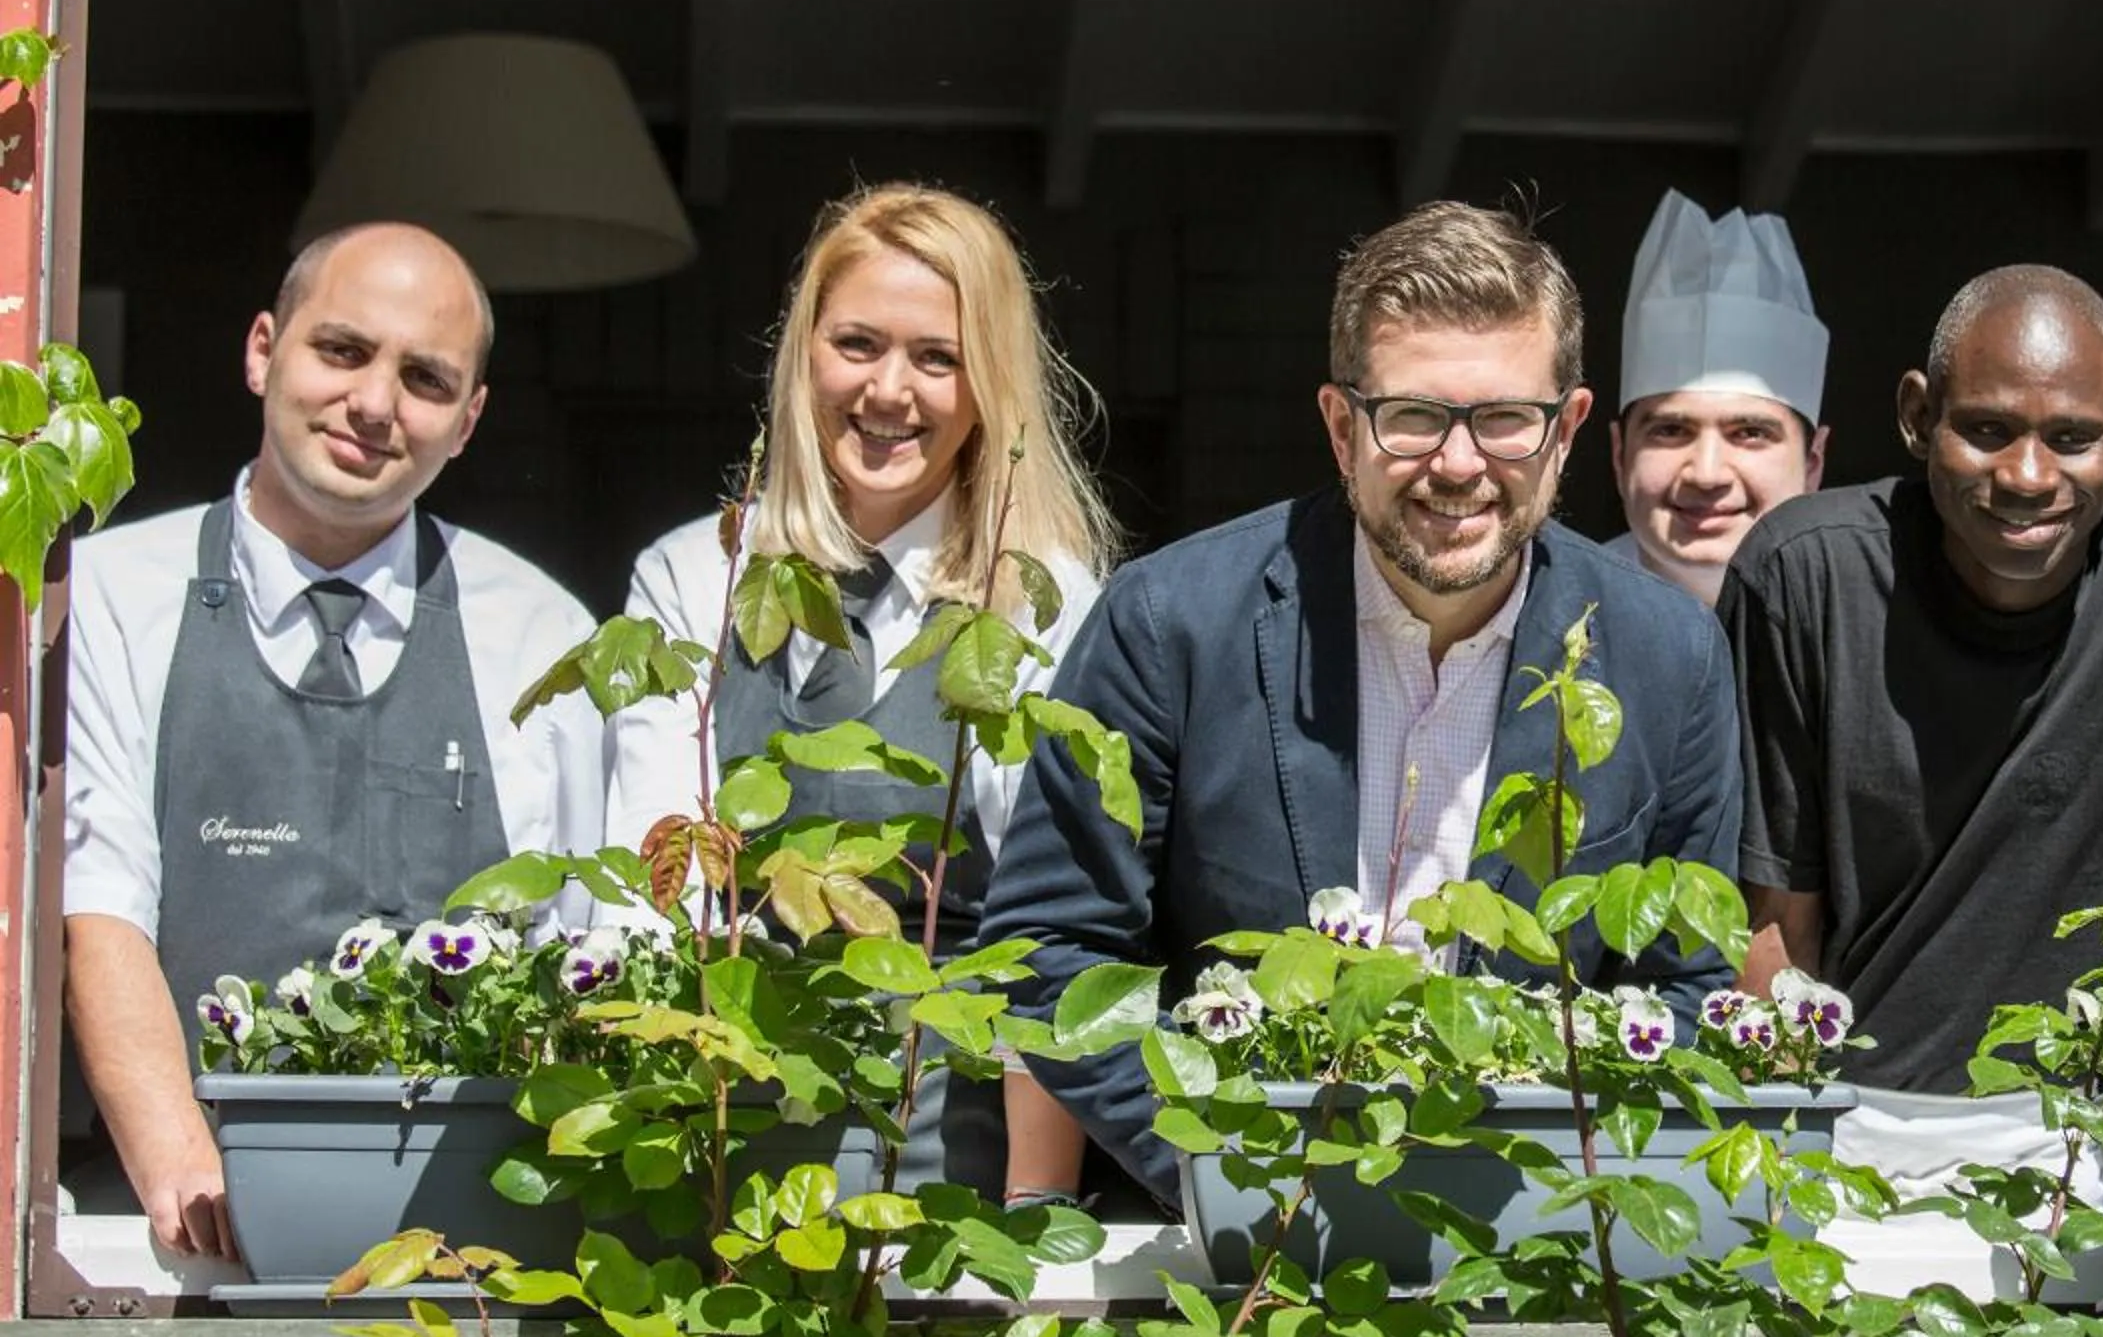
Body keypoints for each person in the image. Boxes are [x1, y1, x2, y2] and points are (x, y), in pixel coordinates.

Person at [989, 201, 1741, 1206]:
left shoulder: (1669, 657)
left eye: (1505, 419)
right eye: (1415, 416)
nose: (1460, 463)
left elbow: (1685, 986)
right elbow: (1053, 952)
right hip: (1222, 1254)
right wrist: (1227, 1172)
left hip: (1528, 1249)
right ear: (1344, 427)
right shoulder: (1168, 624)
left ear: (1564, 430)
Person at [63, 222, 605, 1259]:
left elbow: (585, 947)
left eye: (426, 378)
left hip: (473, 1244)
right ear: (265, 349)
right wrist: (191, 1181)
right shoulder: (108, 596)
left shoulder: (544, 635)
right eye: (343, 350)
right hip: (168, 1229)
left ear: (469, 420)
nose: (374, 403)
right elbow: (100, 908)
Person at [1725, 265, 2103, 1208]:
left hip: (2084, 1138)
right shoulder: (1803, 576)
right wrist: (1781, 1173)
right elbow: (1777, 923)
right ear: (1916, 416)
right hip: (1845, 1124)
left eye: (2071, 439)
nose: (2027, 477)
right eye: (1987, 431)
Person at [608, 185, 1117, 1205]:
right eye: (857, 344)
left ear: (991, 385)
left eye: (939, 356)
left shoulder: (1046, 601)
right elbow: (644, 900)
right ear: (804, 355)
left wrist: (1032, 1216)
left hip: (950, 1178)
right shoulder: (694, 577)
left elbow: (1054, 934)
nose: (891, 389)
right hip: (723, 1162)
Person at [1605, 191, 1830, 604]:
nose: (1706, 475)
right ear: (1619, 455)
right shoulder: (1545, 622)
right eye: (1671, 430)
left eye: (1749, 432)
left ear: (1812, 462)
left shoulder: (1859, 624)